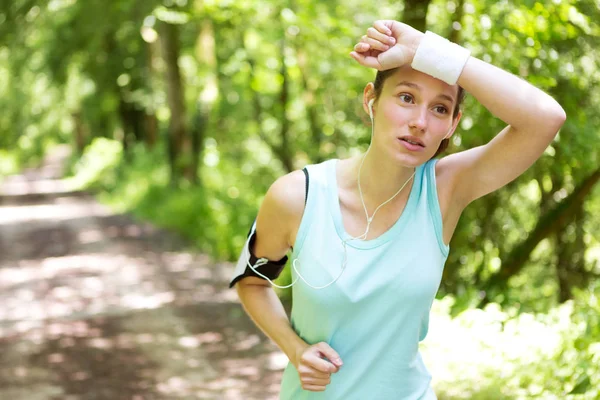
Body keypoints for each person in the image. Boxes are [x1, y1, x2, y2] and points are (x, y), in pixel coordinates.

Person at [230, 20, 566, 399]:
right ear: (371, 100)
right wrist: (296, 350)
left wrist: (428, 49)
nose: (420, 122)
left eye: (440, 108)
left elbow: (545, 119)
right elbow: (251, 281)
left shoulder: (445, 191)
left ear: (452, 124)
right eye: (406, 98)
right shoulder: (298, 196)